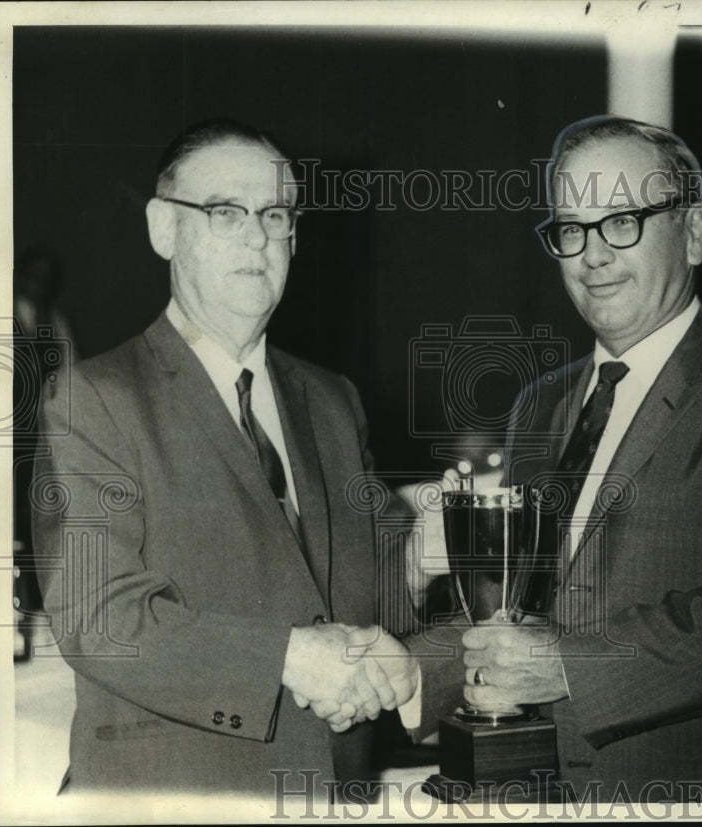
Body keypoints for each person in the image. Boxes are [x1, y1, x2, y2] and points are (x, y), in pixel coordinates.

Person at [456, 116, 702, 802]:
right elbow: (516, 609)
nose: (592, 255)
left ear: (694, 232)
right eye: (571, 228)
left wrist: (571, 669)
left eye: (622, 220)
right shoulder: (537, 405)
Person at [30, 119, 422, 797]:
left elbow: (372, 589)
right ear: (163, 229)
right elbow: (100, 621)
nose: (257, 234)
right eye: (224, 211)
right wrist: (290, 658)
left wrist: (428, 555)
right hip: (177, 792)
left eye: (276, 213)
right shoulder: (94, 398)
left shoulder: (332, 399)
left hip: (334, 787)